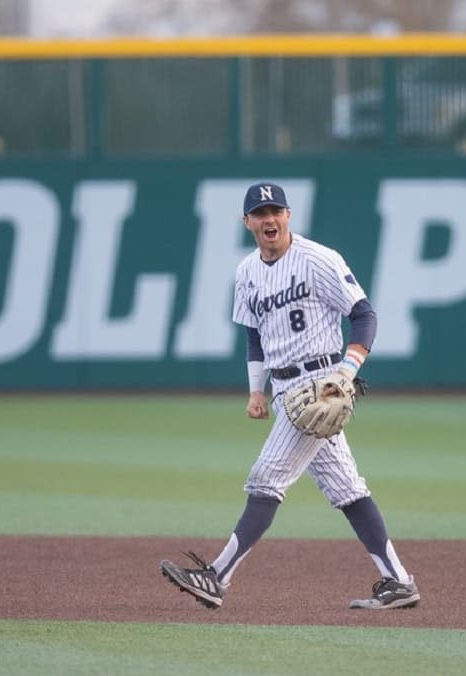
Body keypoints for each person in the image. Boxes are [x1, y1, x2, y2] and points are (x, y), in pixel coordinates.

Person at [159, 182, 419, 610]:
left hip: (319, 385)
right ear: (247, 222)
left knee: (267, 478)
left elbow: (364, 315)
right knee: (348, 490)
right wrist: (255, 392)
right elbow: (254, 338)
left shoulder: (318, 260)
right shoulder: (246, 273)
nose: (269, 219)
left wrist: (347, 371)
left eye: (276, 210)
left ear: (288, 215)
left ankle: (216, 577)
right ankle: (399, 580)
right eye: (260, 213)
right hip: (284, 391)